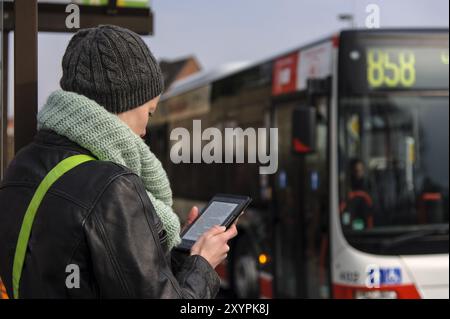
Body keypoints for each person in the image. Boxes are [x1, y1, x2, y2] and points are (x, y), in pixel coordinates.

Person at [0, 25, 237, 299]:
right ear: (125, 101)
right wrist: (204, 264)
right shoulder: (113, 187)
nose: (146, 130)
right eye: (149, 112)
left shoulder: (22, 165)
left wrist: (157, 238)